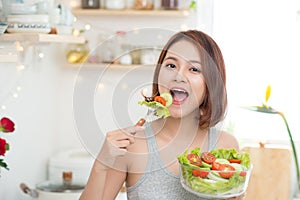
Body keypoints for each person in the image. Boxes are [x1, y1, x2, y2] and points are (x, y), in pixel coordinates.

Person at [80, 30, 242, 200]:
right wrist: (101, 164)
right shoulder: (132, 146)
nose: (179, 76)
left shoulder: (225, 145)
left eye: (194, 69)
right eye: (171, 65)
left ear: (211, 83)